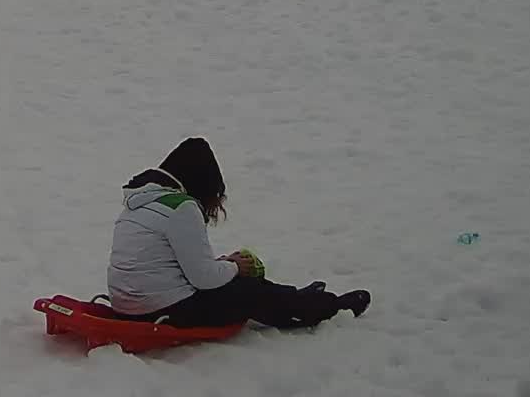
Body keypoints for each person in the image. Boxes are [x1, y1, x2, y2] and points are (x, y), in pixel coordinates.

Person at [106, 137, 369, 330]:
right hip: (164, 311)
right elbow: (204, 279)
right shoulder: (181, 207)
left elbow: (168, 266)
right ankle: (326, 307)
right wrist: (234, 266)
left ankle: (299, 296)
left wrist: (223, 265)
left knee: (238, 283)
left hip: (126, 308)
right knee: (248, 290)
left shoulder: (138, 204)